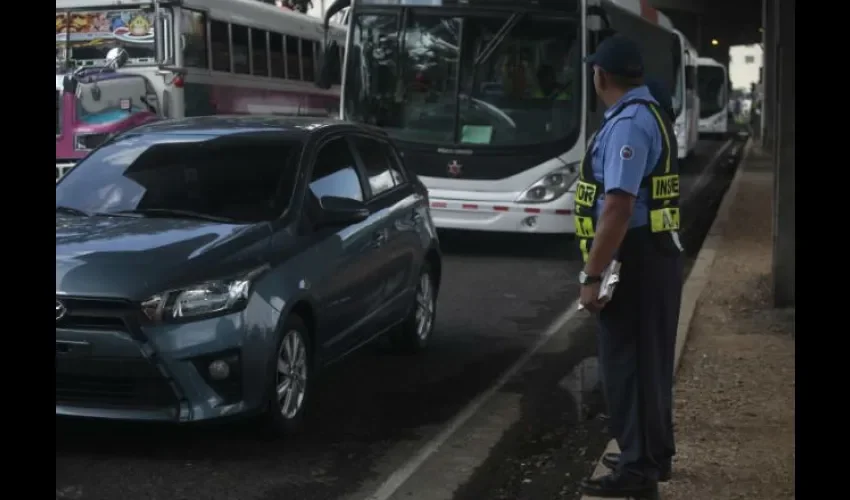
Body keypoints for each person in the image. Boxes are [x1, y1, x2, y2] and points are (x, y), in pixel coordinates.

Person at [573, 33, 684, 498]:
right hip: (654, 254)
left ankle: (638, 473)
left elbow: (617, 207)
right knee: (650, 362)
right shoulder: (650, 111)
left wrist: (592, 276)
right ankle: (651, 454)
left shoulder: (627, 125)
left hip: (634, 258)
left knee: (629, 365)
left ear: (600, 76)